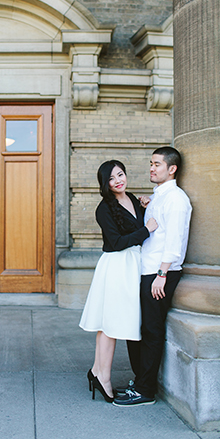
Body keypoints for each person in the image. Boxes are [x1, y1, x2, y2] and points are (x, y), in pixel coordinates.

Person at [114, 147, 192, 407]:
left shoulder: (177, 200)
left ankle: (146, 390)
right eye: (150, 163)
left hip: (160, 274)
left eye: (157, 164)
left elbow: (174, 241)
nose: (151, 168)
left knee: (152, 331)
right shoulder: (158, 197)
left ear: (172, 169)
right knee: (138, 329)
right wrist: (145, 203)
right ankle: (141, 380)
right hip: (146, 272)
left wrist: (162, 274)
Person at [79, 160, 158, 402]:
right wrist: (147, 229)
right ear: (105, 184)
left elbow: (135, 223)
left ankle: (96, 371)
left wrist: (147, 206)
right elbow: (116, 242)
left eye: (120, 175)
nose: (118, 181)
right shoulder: (104, 208)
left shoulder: (132, 198)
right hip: (116, 265)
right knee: (109, 324)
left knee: (109, 324)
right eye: (112, 179)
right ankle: (103, 377)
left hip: (132, 264)